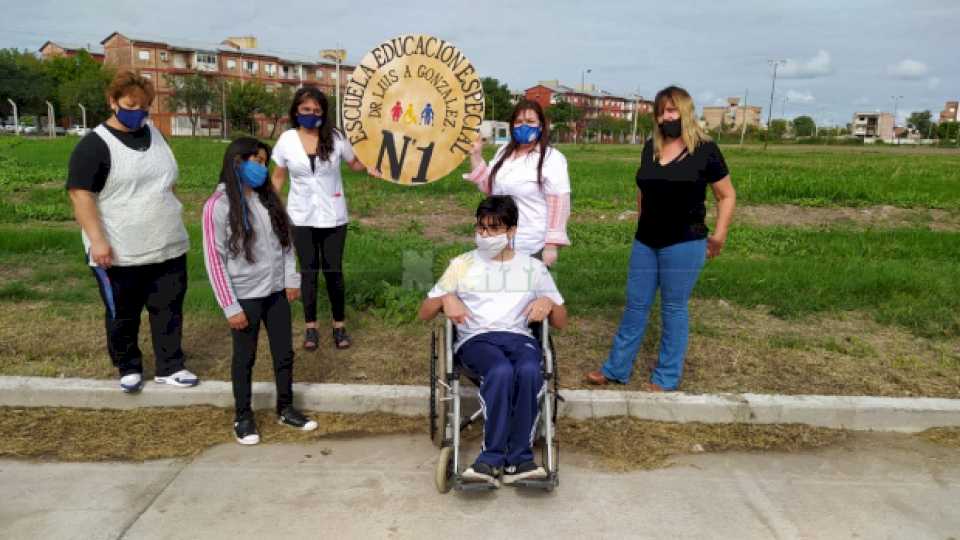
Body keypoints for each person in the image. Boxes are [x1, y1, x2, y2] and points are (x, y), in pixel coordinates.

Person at [585, 86, 736, 391]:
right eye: (662, 111)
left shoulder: (706, 150)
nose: (667, 116)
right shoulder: (650, 147)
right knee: (635, 306)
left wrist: (719, 235)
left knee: (673, 308)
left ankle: (666, 376)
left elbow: (726, 195)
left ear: (685, 111)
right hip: (646, 242)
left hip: (684, 242)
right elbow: (643, 190)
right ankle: (615, 369)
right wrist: (642, 220)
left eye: (672, 110)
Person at [419, 195, 568, 487]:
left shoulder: (532, 268)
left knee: (528, 370)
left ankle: (520, 461)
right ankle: (491, 459)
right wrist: (447, 297)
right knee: (500, 370)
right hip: (477, 340)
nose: (485, 235)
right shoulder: (462, 264)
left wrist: (548, 302)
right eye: (481, 228)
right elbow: (424, 312)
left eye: (494, 229)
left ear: (512, 231)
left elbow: (561, 321)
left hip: (518, 337)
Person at [66, 69, 198, 393]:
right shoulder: (95, 145)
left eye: (144, 106)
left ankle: (171, 365)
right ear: (113, 101)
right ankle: (128, 366)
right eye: (131, 103)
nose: (138, 111)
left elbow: (167, 180)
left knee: (168, 308)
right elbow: (80, 195)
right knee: (123, 313)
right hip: (120, 250)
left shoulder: (156, 135)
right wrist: (98, 241)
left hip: (166, 244)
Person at [202, 137, 318, 445]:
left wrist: (292, 280)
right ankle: (243, 416)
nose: (260, 167)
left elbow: (286, 243)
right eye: (254, 160)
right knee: (245, 358)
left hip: (276, 292)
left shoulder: (269, 199)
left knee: (284, 353)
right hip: (245, 297)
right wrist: (231, 306)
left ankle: (286, 407)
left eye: (264, 161)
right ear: (235, 162)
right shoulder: (218, 206)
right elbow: (215, 260)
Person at [270, 87, 367, 352]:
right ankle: (311, 327)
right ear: (296, 111)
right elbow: (278, 176)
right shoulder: (287, 139)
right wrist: (268, 203)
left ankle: (339, 325)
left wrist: (378, 163)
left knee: (334, 271)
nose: (311, 115)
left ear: (323, 112)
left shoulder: (335, 138)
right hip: (301, 216)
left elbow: (356, 164)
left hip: (334, 216)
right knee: (309, 273)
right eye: (305, 110)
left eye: (316, 110)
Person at [464, 99, 571, 266]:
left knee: (526, 290)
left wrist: (551, 245)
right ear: (512, 126)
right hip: (496, 239)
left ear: (541, 126)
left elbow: (559, 203)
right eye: (519, 122)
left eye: (530, 122)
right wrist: (476, 155)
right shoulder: (504, 152)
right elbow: (488, 187)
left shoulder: (552, 158)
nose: (523, 126)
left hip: (530, 243)